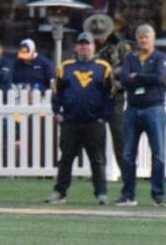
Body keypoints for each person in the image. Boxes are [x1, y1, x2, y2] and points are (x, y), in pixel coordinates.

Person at [45, 32, 114, 206]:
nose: (84, 47)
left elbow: (110, 94)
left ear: (93, 46)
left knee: (97, 159)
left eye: (87, 44)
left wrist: (104, 116)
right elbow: (56, 92)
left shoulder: (103, 67)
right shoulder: (66, 67)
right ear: (76, 47)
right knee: (66, 158)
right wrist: (57, 112)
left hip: (94, 121)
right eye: (81, 44)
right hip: (70, 120)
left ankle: (101, 193)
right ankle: (60, 192)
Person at [116, 24, 166, 207]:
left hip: (154, 108)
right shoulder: (130, 57)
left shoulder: (160, 57)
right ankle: (128, 195)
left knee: (159, 154)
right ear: (137, 40)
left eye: (146, 37)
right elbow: (124, 79)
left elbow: (160, 78)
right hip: (132, 108)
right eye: (140, 37)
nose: (143, 40)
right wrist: (144, 77)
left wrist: (137, 76)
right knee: (128, 154)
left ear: (152, 39)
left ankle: (158, 195)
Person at [86, 13, 131, 177]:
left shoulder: (121, 47)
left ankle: (127, 176)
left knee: (119, 136)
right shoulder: (87, 46)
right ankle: (99, 176)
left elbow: (127, 70)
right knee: (96, 138)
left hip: (114, 97)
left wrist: (112, 78)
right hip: (94, 97)